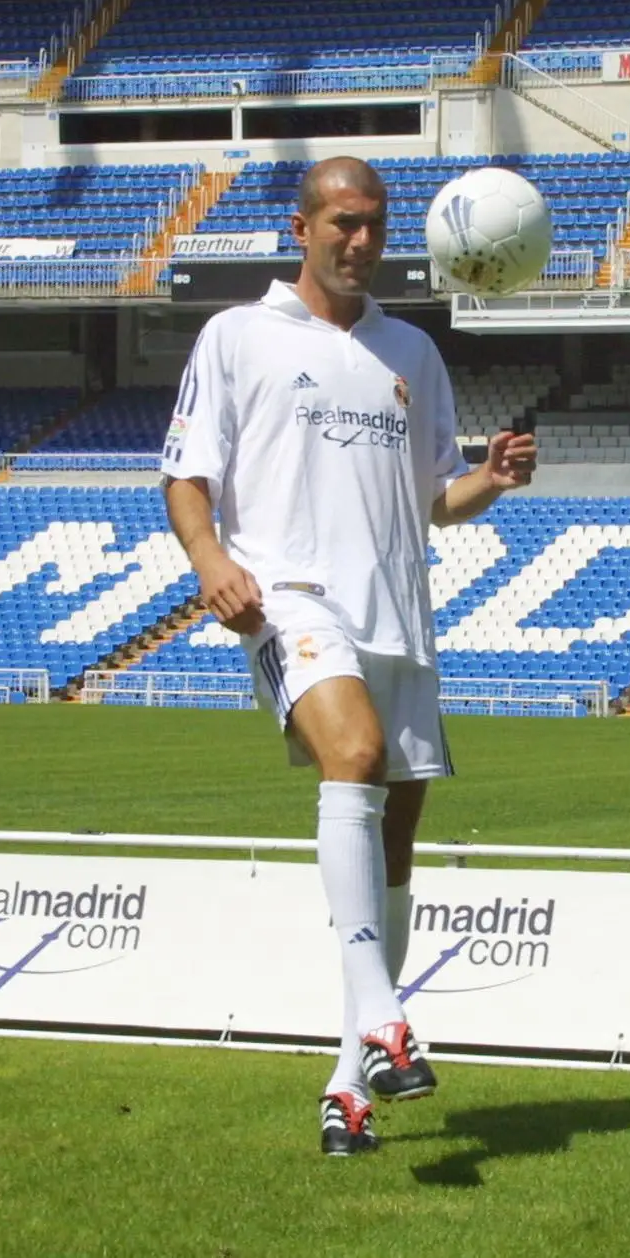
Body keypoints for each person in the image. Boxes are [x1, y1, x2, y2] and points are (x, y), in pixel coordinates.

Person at [160, 156, 537, 1156]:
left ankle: (348, 1087)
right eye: (341, 222)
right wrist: (210, 561)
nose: (359, 240)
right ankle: (383, 1018)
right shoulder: (236, 335)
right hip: (289, 600)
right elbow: (185, 477)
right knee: (354, 757)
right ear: (303, 226)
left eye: (372, 224)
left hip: (398, 615)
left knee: (393, 848)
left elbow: (431, 497)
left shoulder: (409, 348)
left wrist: (488, 480)